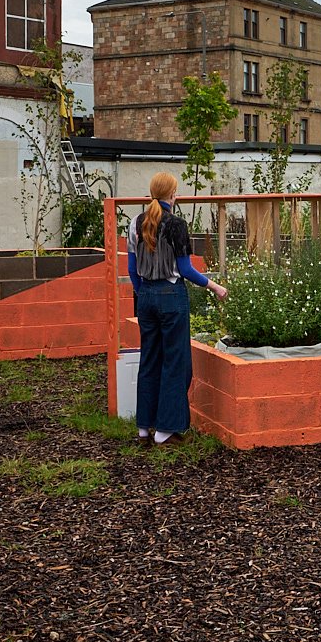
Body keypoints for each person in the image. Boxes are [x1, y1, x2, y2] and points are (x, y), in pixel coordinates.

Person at [128, 172, 227, 446]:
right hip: (171, 296)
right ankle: (166, 431)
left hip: (145, 296)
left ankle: (144, 428)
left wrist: (144, 292)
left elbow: (131, 269)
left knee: (149, 360)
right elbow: (185, 269)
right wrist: (215, 286)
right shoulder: (177, 225)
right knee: (175, 363)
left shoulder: (135, 222)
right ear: (173, 194)